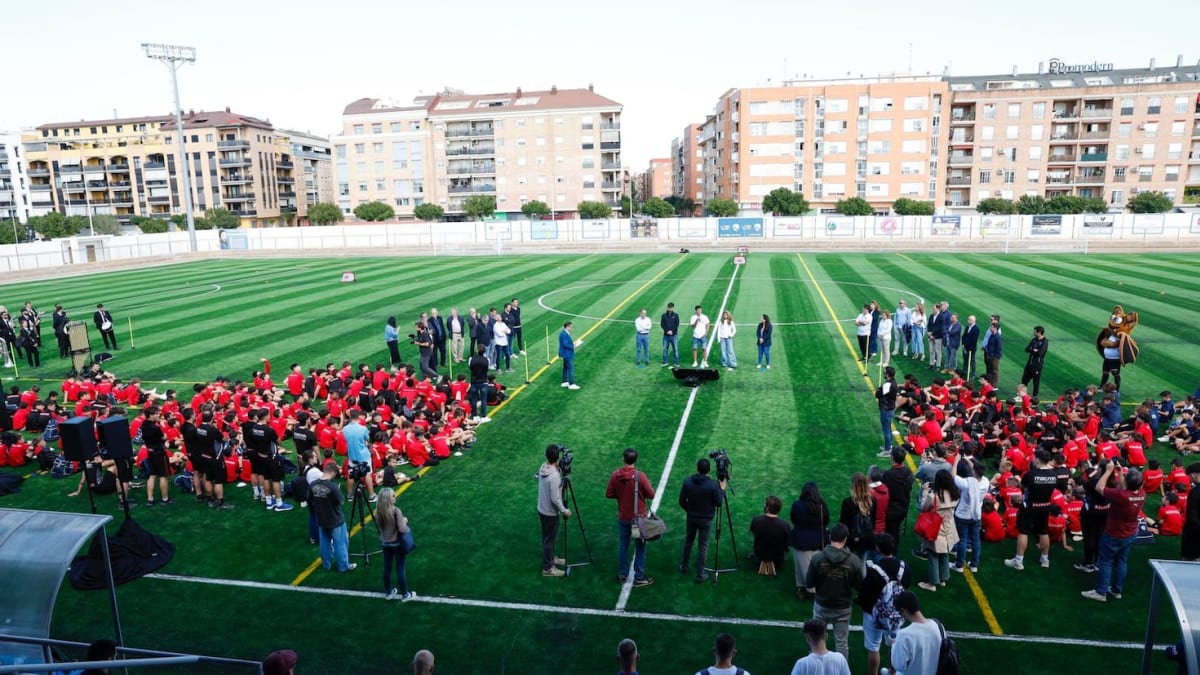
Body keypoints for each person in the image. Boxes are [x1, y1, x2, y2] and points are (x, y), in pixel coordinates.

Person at [1081, 460, 1146, 602]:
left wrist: (1109, 471)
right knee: (1121, 562)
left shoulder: (1120, 496)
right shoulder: (1142, 493)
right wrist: (1121, 472)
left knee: (1105, 562)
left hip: (1115, 533)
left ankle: (1101, 592)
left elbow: (1099, 487)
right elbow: (1125, 486)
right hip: (1130, 533)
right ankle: (1117, 590)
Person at [805, 523, 863, 660]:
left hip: (822, 604)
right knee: (842, 642)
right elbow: (859, 584)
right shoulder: (854, 560)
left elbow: (809, 583)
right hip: (843, 607)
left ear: (830, 536)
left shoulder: (817, 558)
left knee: (816, 639)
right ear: (845, 539)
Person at [858, 533, 911, 675]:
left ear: (877, 548)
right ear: (893, 547)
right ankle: (892, 672)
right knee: (893, 644)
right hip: (897, 614)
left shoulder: (873, 570)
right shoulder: (904, 567)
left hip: (873, 614)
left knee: (874, 648)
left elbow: (864, 594)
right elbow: (906, 587)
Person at [606, 448, 655, 587]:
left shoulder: (615, 475)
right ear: (635, 460)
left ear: (623, 459)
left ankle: (622, 574)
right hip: (638, 519)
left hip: (623, 516)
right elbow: (651, 494)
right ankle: (639, 576)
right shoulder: (640, 476)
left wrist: (622, 496)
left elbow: (609, 493)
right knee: (640, 546)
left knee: (623, 545)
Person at [1005, 448, 1058, 571]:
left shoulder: (1031, 474)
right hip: (1045, 506)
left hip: (1029, 506)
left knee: (1023, 531)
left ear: (1038, 460)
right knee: (1044, 531)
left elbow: (1023, 486)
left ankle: (1018, 561)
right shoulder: (1053, 474)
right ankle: (1045, 559)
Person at [678, 457, 724, 583]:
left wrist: (689, 510)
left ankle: (684, 566)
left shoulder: (688, 482)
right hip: (706, 519)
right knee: (703, 546)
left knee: (689, 540)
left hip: (692, 517)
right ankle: (700, 574)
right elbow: (719, 502)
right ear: (709, 470)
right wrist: (722, 489)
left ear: (697, 468)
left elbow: (681, 501)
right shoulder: (712, 485)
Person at [917, 469, 960, 592]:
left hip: (936, 529)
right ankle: (943, 578)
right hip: (949, 527)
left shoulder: (934, 496)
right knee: (945, 554)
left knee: (933, 556)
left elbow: (923, 508)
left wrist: (924, 492)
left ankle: (932, 583)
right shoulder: (955, 494)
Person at [310, 459, 356, 572]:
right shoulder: (333, 486)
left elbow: (310, 500)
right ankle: (343, 566)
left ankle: (326, 564)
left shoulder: (313, 484)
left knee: (324, 543)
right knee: (340, 543)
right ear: (333, 473)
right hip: (335, 519)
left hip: (321, 519)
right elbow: (341, 502)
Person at [885, 591, 942, 675]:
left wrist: (894, 645)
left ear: (903, 610)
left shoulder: (904, 635)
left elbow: (899, 666)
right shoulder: (938, 625)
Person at [790, 481, 829, 600]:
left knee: (801, 566)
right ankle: (807, 589)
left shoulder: (797, 505)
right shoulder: (822, 506)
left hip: (801, 540)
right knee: (813, 567)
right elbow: (826, 521)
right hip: (818, 540)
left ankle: (807, 590)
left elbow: (793, 519)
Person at [377, 487, 416, 601]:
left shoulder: (379, 511)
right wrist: (404, 520)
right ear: (388, 499)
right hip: (397, 544)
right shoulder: (395, 511)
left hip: (385, 543)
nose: (395, 497)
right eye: (393, 495)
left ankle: (388, 593)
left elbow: (381, 528)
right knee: (400, 568)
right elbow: (402, 529)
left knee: (387, 568)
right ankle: (405, 594)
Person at [538, 444, 571, 577]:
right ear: (558, 458)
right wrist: (565, 510)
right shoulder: (555, 476)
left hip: (541, 509)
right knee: (549, 540)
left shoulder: (543, 468)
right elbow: (555, 499)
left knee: (546, 537)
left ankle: (551, 558)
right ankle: (548, 568)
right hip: (550, 513)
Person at [882, 447, 915, 546]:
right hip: (902, 508)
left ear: (892, 458)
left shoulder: (888, 475)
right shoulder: (908, 473)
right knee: (894, 532)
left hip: (891, 509)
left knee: (890, 534)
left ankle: (890, 556)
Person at [750, 495, 791, 573]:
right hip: (778, 558)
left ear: (768, 508)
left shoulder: (756, 520)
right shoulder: (784, 524)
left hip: (760, 556)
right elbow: (787, 543)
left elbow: (754, 533)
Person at [840, 472, 877, 560]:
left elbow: (843, 523)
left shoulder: (848, 502)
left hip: (851, 540)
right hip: (866, 539)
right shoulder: (873, 501)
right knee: (862, 562)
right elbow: (873, 522)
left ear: (853, 485)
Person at [343, 411, 375, 502]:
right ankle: (371, 495)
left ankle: (350, 495)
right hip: (363, 455)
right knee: (367, 474)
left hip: (352, 454)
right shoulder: (363, 428)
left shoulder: (345, 428)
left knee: (351, 474)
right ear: (359, 417)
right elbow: (367, 440)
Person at [876, 366, 898, 457]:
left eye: (885, 373)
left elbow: (878, 394)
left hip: (886, 409)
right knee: (888, 428)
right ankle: (889, 445)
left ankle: (887, 450)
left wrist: (879, 390)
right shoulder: (893, 382)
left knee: (886, 429)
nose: (884, 374)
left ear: (888, 374)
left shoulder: (887, 385)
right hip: (890, 408)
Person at [1022, 325, 1049, 398]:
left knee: (1036, 381)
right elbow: (1027, 349)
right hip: (1029, 363)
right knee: (1024, 379)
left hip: (1037, 365)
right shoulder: (1034, 340)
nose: (1034, 332)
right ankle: (1022, 394)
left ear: (1039, 332)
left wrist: (1033, 350)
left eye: (1035, 331)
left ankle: (1035, 397)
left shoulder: (1044, 342)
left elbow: (1040, 353)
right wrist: (1033, 350)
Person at [1181, 462, 1200, 561]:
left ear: (1193, 475)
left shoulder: (1195, 492)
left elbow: (1192, 515)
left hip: (1194, 536)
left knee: (1190, 563)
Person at [468, 346, 490, 420]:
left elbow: (470, 367)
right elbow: (487, 369)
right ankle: (483, 416)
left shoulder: (471, 359)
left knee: (474, 399)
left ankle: (475, 415)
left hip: (474, 381)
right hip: (483, 381)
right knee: (483, 399)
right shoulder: (487, 360)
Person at [558, 321, 580, 390]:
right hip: (567, 354)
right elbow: (565, 344)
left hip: (565, 353)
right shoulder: (564, 334)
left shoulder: (563, 333)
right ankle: (571, 384)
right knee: (571, 368)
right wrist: (573, 346)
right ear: (567, 327)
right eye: (570, 327)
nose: (571, 328)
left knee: (565, 367)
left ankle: (565, 381)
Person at [983, 320, 1003, 386]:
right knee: (989, 370)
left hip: (994, 357)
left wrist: (996, 356)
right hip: (989, 355)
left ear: (995, 328)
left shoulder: (998, 337)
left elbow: (999, 348)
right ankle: (989, 383)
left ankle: (994, 385)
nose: (990, 328)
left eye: (991, 327)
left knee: (994, 371)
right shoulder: (992, 335)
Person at [660, 302, 680, 367]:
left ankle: (676, 363)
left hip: (674, 335)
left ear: (673, 308)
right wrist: (667, 331)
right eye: (669, 307)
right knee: (665, 349)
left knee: (675, 349)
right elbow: (662, 324)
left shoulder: (676, 315)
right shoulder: (663, 315)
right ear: (667, 307)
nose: (670, 309)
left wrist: (672, 331)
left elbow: (677, 324)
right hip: (666, 335)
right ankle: (665, 362)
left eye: (671, 308)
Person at [960, 314, 980, 380]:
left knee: (972, 361)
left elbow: (973, 340)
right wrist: (963, 344)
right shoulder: (967, 327)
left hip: (971, 348)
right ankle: (964, 372)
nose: (968, 321)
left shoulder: (976, 329)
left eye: (970, 320)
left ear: (974, 321)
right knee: (965, 360)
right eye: (968, 319)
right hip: (965, 347)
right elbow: (964, 336)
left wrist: (966, 346)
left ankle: (973, 374)